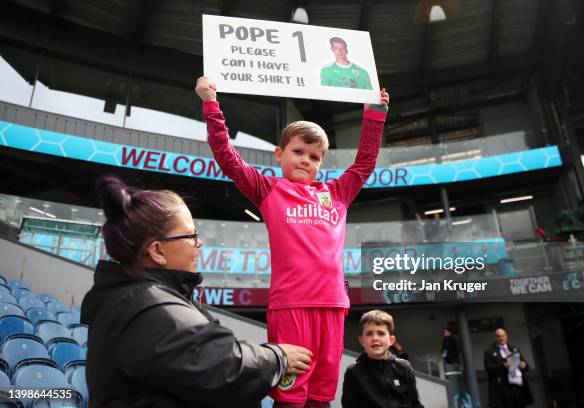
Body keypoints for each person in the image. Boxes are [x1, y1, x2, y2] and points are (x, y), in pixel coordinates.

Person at [196, 76, 389, 408]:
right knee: (291, 392)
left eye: (314, 157)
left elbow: (364, 163)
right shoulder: (268, 189)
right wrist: (211, 104)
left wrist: (374, 115)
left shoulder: (337, 193)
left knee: (321, 394)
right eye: (298, 152)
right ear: (279, 153)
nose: (305, 160)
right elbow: (228, 157)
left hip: (333, 305)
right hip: (291, 305)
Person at [81, 176, 313, 408]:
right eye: (191, 236)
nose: (199, 243)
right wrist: (278, 358)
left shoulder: (136, 298)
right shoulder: (150, 308)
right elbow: (225, 369)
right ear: (157, 251)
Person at [341, 310, 424, 408]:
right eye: (369, 333)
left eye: (381, 333)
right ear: (362, 340)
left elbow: (415, 403)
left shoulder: (404, 367)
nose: (375, 338)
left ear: (391, 340)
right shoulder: (353, 372)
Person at [484, 328, 534, 408]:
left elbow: (526, 366)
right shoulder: (489, 352)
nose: (501, 338)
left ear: (506, 336)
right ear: (496, 338)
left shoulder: (514, 349)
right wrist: (502, 366)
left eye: (503, 336)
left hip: (517, 385)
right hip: (503, 387)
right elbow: (488, 368)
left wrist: (524, 365)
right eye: (499, 336)